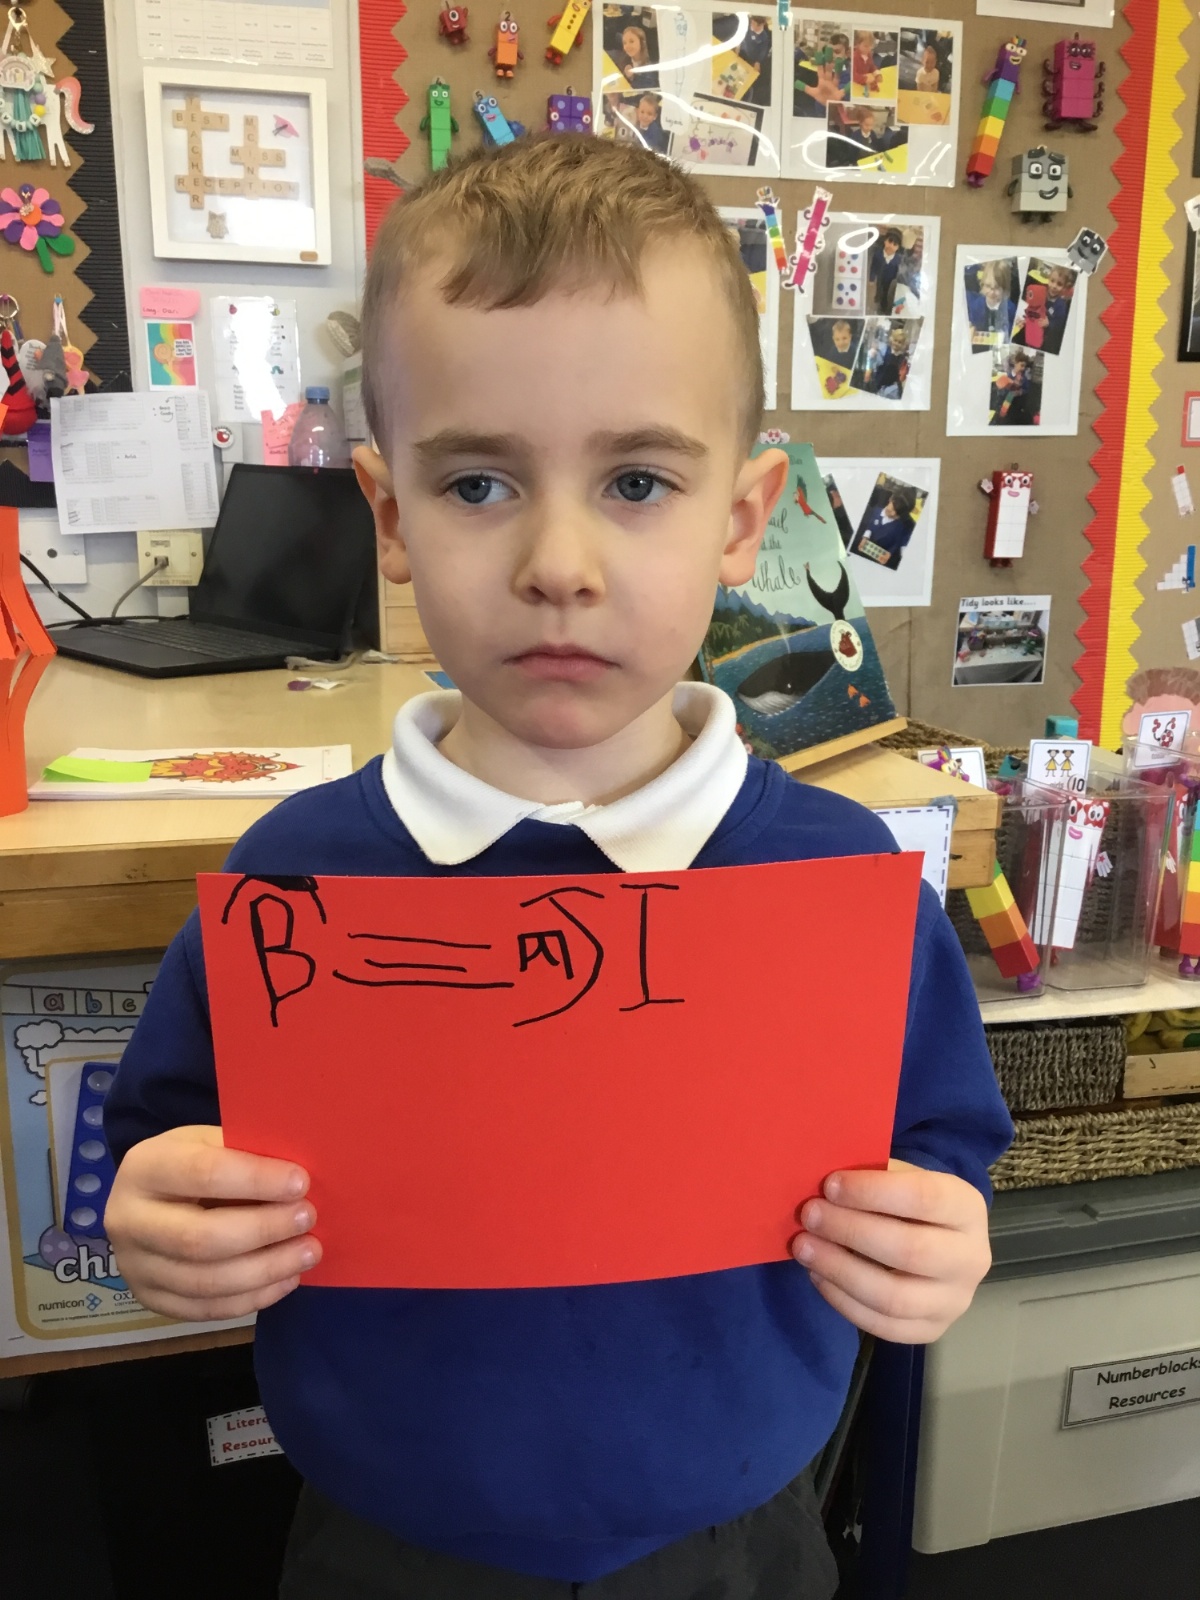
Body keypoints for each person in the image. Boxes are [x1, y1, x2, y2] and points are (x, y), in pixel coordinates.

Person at [103, 135, 1011, 1600]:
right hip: (386, 1546)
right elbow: (166, 1146)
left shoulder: (837, 886)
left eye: (638, 479)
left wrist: (941, 1235)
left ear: (742, 519)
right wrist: (162, 1221)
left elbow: (944, 1145)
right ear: (388, 517)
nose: (560, 562)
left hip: (733, 1544)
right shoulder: (296, 883)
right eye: (478, 484)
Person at [854, 487, 918, 565]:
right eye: (892, 509)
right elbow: (869, 526)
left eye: (898, 514)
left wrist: (889, 553)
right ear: (890, 499)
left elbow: (896, 542)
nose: (893, 514)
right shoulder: (875, 511)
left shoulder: (900, 527)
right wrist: (865, 537)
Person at [967, 259, 1016, 348]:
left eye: (997, 287)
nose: (992, 292)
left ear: (1004, 288)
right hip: (983, 347)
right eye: (988, 286)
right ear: (982, 284)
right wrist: (971, 328)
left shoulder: (1010, 308)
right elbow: (973, 322)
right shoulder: (976, 305)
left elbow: (1012, 327)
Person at [991, 350, 1041, 425]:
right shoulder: (1008, 375)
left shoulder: (1024, 378)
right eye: (1022, 365)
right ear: (1016, 363)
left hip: (1016, 406)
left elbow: (1027, 389)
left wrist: (1020, 392)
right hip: (1005, 404)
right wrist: (1007, 387)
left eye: (1025, 366)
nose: (1023, 368)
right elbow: (1000, 391)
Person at [864, 322, 912, 399]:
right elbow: (874, 362)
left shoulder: (902, 358)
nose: (896, 343)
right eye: (895, 340)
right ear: (892, 339)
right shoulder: (884, 350)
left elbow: (901, 374)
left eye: (900, 342)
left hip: (890, 386)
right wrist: (873, 354)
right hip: (878, 381)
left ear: (903, 344)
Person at [736, 15, 773, 107]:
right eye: (752, 23)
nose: (754, 27)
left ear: (762, 24)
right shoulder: (746, 28)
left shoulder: (765, 36)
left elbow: (763, 50)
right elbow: (740, 40)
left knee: (751, 81)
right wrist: (737, 50)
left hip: (754, 62)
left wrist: (758, 62)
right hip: (743, 57)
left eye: (757, 25)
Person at [868, 227, 905, 314]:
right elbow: (873, 267)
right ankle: (878, 297)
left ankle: (884, 305)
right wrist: (871, 278)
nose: (891, 246)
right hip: (880, 276)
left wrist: (898, 280)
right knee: (879, 287)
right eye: (889, 241)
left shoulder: (897, 259)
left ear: (898, 247)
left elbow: (898, 271)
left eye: (895, 244)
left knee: (887, 291)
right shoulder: (878, 255)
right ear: (885, 241)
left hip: (891, 279)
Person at [617, 23, 657, 88]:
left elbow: (645, 89)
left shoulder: (650, 68)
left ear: (642, 42)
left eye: (631, 41)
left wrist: (632, 77)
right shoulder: (624, 61)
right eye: (624, 43)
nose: (627, 46)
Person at [853, 29, 882, 94]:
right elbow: (853, 75)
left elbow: (871, 66)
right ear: (857, 45)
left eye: (870, 46)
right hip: (855, 86)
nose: (869, 49)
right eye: (866, 46)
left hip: (865, 85)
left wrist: (876, 74)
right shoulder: (854, 57)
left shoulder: (868, 55)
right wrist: (865, 79)